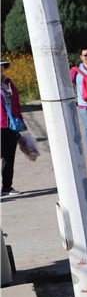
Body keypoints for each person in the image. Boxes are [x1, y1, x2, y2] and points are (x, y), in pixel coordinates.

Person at [1, 59, 25, 197]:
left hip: (10, 124)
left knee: (9, 156)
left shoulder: (9, 83)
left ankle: (7, 187)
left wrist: (19, 121)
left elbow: (15, 104)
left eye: (2, 66)